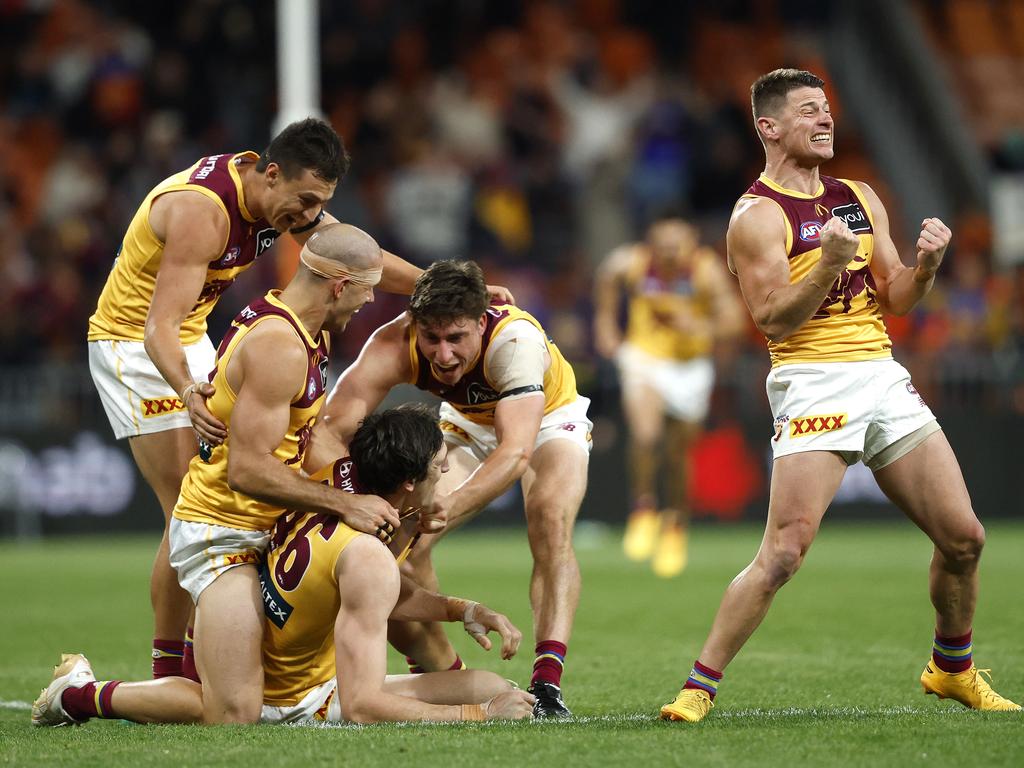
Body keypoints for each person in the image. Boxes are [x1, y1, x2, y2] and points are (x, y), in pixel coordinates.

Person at [86, 118, 512, 678]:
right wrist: (187, 389)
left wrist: (444, 288)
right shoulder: (203, 214)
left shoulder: (282, 201)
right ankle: (172, 670)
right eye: (306, 201)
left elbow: (358, 257)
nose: (309, 216)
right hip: (135, 346)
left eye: (320, 204)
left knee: (249, 475)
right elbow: (155, 328)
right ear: (271, 173)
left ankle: (241, 635)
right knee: (187, 502)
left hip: (187, 334)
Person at [659, 68, 1020, 723]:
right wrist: (826, 262)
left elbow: (895, 295)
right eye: (807, 112)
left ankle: (951, 668)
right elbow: (770, 319)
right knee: (785, 552)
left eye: (827, 110)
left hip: (881, 374)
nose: (826, 120)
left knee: (965, 538)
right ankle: (698, 686)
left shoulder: (857, 195)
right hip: (813, 380)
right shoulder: (757, 215)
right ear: (768, 127)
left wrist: (928, 265)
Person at [32, 407, 535, 726]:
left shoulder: (342, 489)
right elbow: (363, 707)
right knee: (229, 716)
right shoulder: (367, 551)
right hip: (294, 694)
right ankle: (81, 695)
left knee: (495, 686)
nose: (445, 473)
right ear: (405, 482)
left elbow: (376, 594)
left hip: (259, 637)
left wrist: (460, 608)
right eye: (437, 467)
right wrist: (477, 716)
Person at [313, 260, 591, 719]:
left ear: (481, 322)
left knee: (549, 518)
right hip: (464, 422)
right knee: (401, 543)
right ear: (415, 326)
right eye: (432, 339)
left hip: (545, 420)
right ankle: (443, 671)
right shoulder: (392, 342)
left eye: (457, 338)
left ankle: (547, 683)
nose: (443, 355)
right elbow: (330, 427)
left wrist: (448, 504)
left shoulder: (515, 343)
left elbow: (515, 452)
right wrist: (345, 497)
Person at [168, 222, 403, 724]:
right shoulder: (281, 345)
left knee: (272, 698)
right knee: (234, 714)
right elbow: (247, 471)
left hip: (271, 526)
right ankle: (79, 694)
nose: (368, 303)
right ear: (340, 286)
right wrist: (347, 503)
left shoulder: (295, 323)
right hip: (224, 533)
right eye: (366, 291)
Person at [593, 213, 743, 577]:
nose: (669, 254)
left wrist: (703, 325)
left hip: (689, 366)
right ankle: (643, 508)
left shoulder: (707, 271)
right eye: (662, 246)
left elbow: (735, 320)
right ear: (651, 243)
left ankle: (675, 522)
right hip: (644, 357)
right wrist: (606, 323)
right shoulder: (633, 263)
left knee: (678, 455)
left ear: (691, 241)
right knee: (646, 435)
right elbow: (606, 278)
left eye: (676, 246)